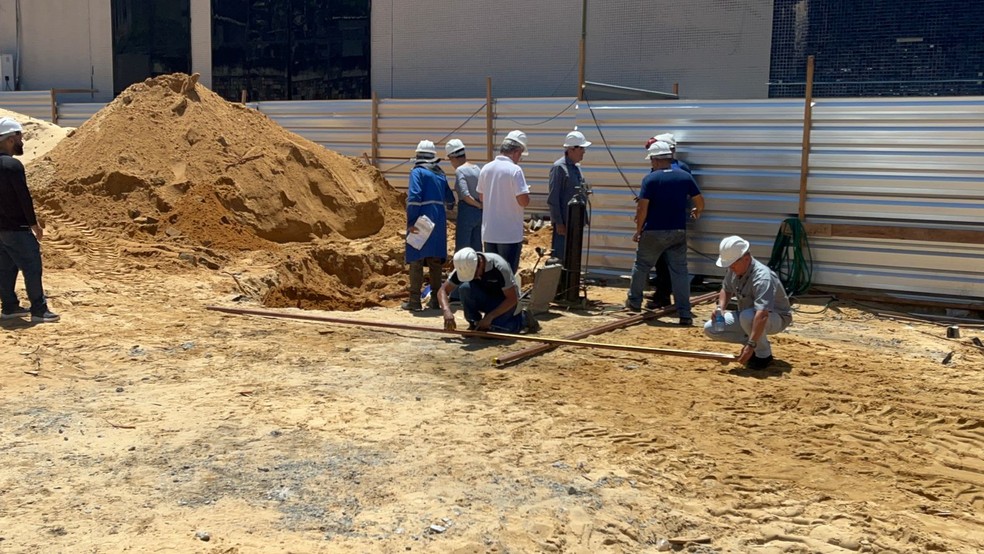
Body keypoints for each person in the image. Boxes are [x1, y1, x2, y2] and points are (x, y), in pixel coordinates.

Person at [625, 141, 704, 325]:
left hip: (653, 231)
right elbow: (699, 200)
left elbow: (642, 208)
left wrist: (638, 231)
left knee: (641, 266)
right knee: (680, 272)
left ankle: (634, 303)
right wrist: (697, 211)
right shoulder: (684, 177)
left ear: (656, 159)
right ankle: (684, 312)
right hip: (678, 231)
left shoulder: (650, 179)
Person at [0, 117, 59, 323]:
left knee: (5, 268)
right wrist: (34, 224)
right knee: (32, 266)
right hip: (17, 228)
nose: (22, 141)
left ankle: (9, 307)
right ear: (10, 139)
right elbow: (23, 197)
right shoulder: (12, 166)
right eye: (19, 137)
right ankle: (39, 310)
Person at [703, 235, 793, 369]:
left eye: (733, 265)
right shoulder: (734, 269)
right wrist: (720, 308)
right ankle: (755, 342)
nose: (731, 269)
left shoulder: (762, 278)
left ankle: (763, 355)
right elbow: (726, 289)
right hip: (749, 317)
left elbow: (762, 315)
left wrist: (751, 345)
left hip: (775, 317)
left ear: (746, 258)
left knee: (748, 317)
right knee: (711, 328)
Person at [437, 247, 539, 334]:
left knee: (497, 330)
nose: (475, 277)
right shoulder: (464, 266)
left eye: (474, 274)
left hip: (503, 302)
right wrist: (446, 311)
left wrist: (490, 317)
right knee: (465, 288)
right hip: (485, 299)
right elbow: (443, 290)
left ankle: (524, 319)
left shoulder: (499, 267)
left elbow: (512, 298)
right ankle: (474, 323)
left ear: (480, 263)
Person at [644, 132, 693, 310]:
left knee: (665, 263)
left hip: (663, 223)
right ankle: (667, 295)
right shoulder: (681, 169)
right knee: (666, 262)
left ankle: (663, 296)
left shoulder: (674, 169)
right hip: (671, 222)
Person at [404, 139, 454, 311]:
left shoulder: (417, 172)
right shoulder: (440, 173)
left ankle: (414, 301)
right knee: (435, 260)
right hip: (438, 220)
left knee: (416, 259)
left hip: (422, 218)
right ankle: (435, 300)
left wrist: (411, 221)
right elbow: (450, 199)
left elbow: (414, 197)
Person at [476, 130, 530, 273]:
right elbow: (523, 201)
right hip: (509, 235)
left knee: (491, 274)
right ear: (516, 151)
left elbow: (481, 197)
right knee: (507, 275)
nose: (519, 159)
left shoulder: (486, 169)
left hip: (489, 233)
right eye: (520, 155)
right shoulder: (515, 170)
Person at [547, 130, 590, 263]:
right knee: (560, 258)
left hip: (576, 222)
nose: (584, 152)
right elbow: (553, 198)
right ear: (572, 149)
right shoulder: (559, 168)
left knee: (573, 257)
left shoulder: (576, 168)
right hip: (564, 224)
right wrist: (559, 223)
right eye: (581, 148)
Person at [445, 139, 483, 253]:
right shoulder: (477, 168)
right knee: (477, 247)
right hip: (479, 214)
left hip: (467, 212)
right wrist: (481, 206)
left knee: (463, 249)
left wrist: (478, 205)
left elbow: (465, 195)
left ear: (453, 157)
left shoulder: (460, 171)